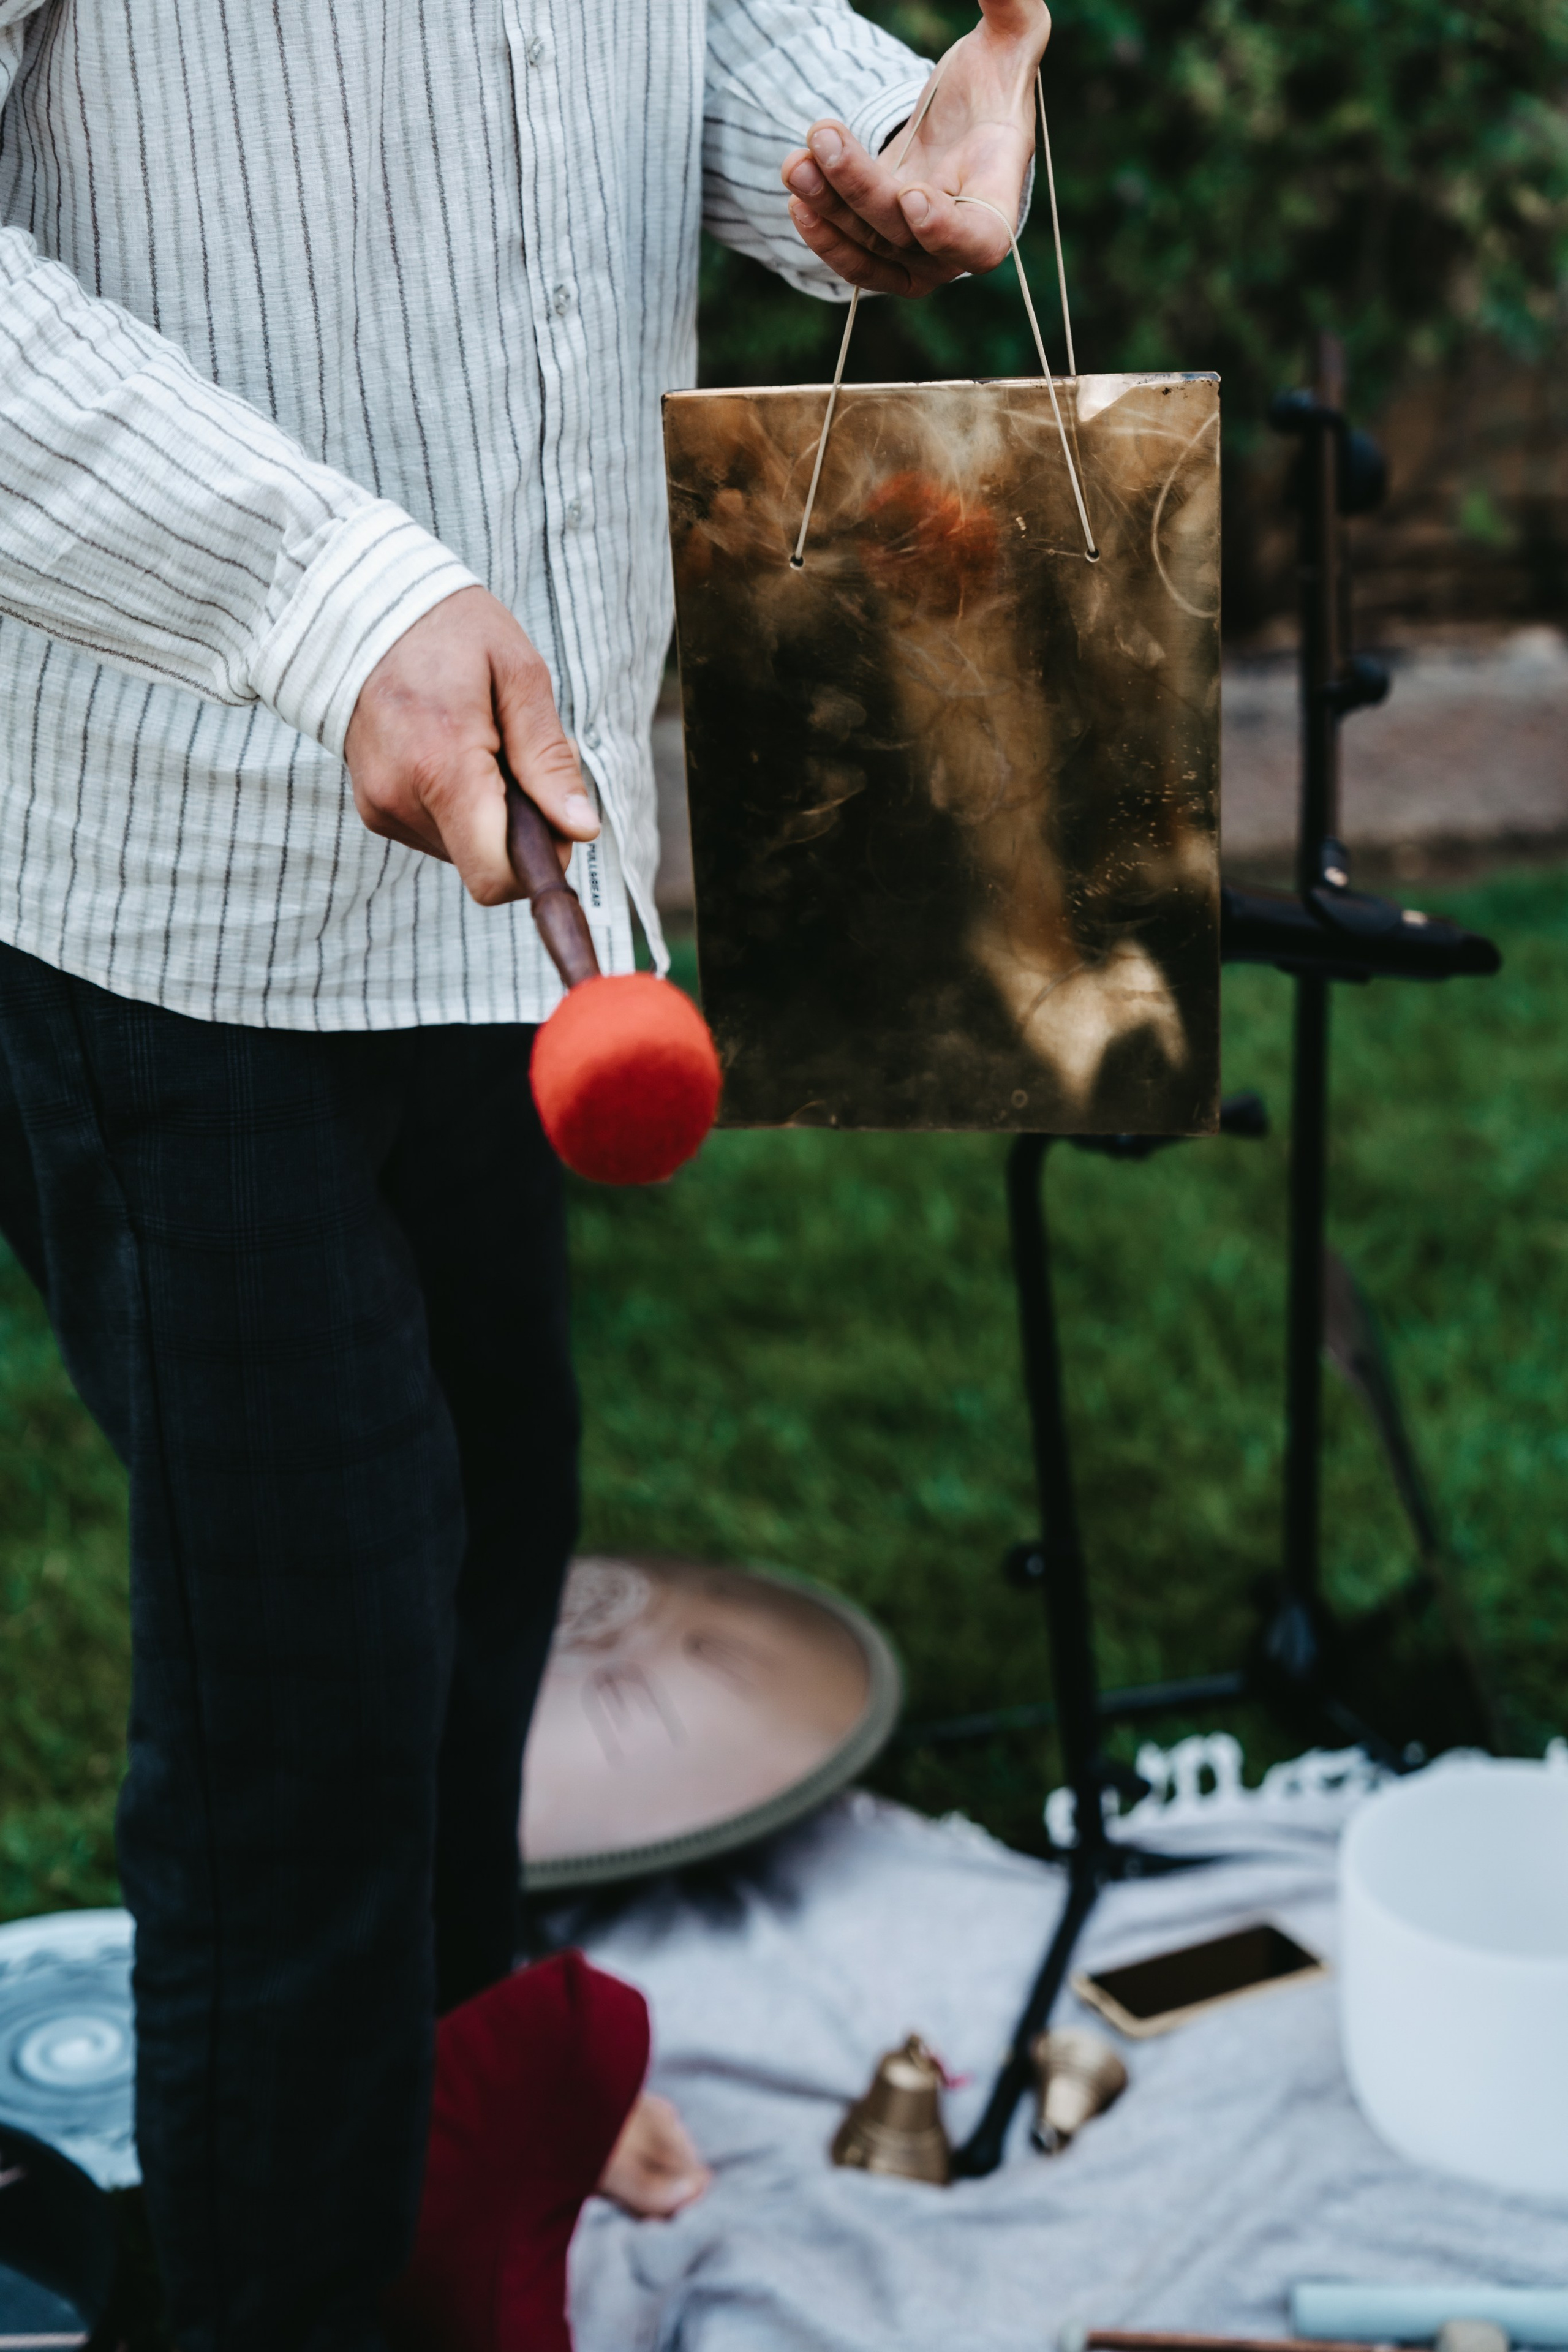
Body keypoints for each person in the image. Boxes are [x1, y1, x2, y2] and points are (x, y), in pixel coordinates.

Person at [0, 2, 1049, 2344]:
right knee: (309, 1734)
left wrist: (865, 126)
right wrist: (322, 594)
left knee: (484, 1548)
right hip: (179, 877)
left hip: (524, 854)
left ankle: (456, 2138)